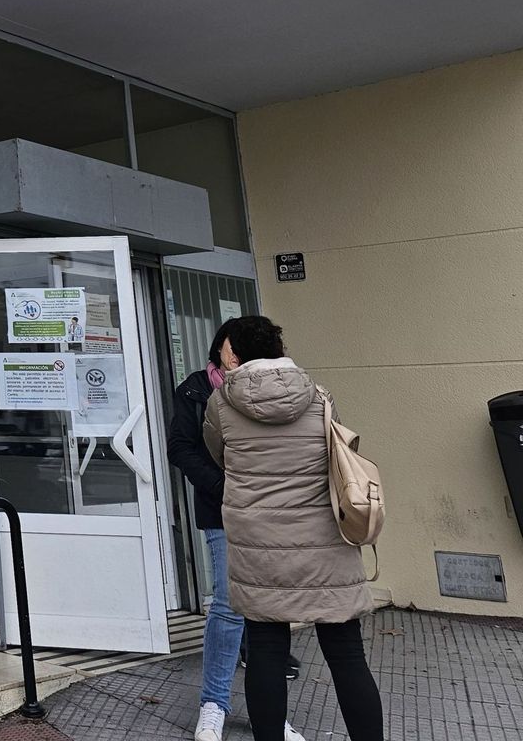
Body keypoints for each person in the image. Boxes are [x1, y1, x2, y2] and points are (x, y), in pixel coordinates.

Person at [205, 316, 384, 741]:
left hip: (260, 545)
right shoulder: (319, 396)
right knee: (346, 655)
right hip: (325, 542)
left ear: (234, 353)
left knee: (266, 652)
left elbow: (220, 457)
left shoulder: (221, 404)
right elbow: (335, 454)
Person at [167, 330, 299, 741]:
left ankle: (270, 714)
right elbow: (181, 448)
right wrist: (224, 488)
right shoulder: (195, 389)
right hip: (222, 510)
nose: (234, 354)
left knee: (267, 608)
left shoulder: (276, 390)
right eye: (230, 345)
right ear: (220, 349)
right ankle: (214, 704)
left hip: (271, 513)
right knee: (228, 604)